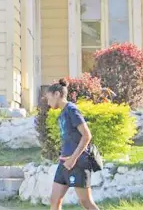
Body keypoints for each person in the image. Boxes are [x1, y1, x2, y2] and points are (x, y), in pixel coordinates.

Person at [46, 79, 99, 210]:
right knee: (54, 200)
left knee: (86, 202)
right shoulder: (62, 113)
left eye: (49, 98)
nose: (48, 102)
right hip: (64, 162)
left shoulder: (72, 110)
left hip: (78, 162)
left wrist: (73, 158)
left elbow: (87, 135)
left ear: (57, 94)